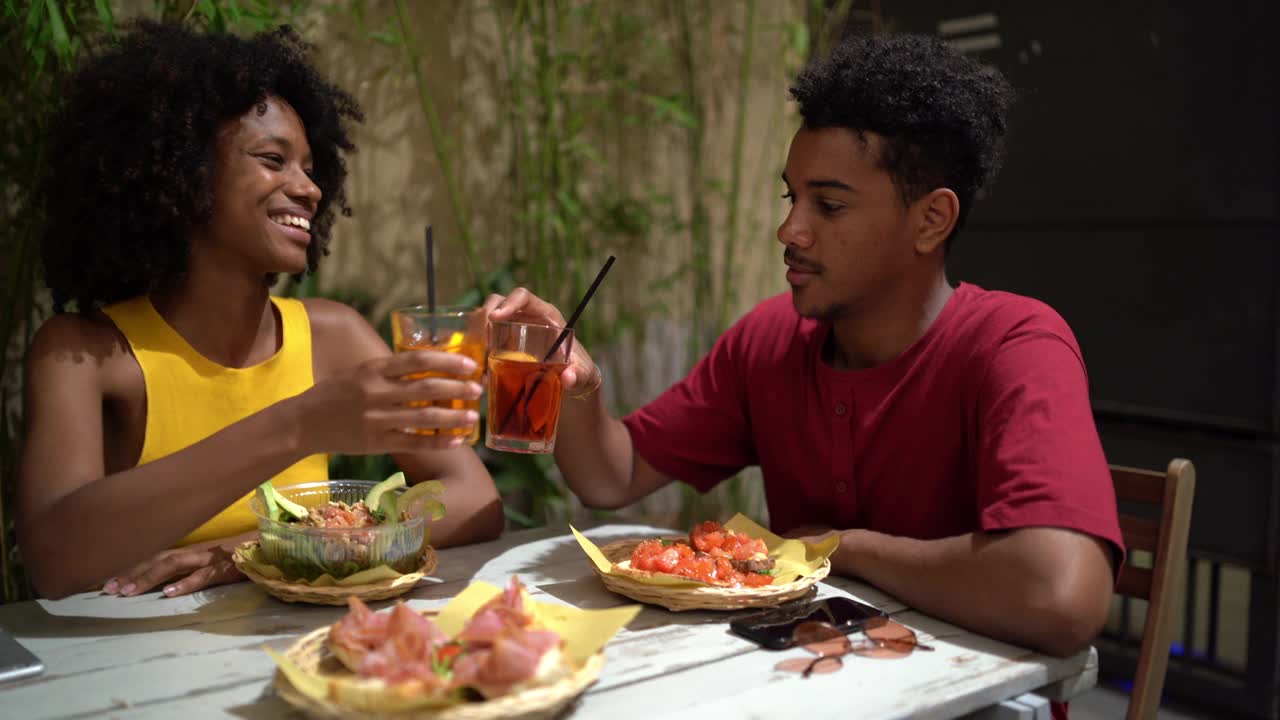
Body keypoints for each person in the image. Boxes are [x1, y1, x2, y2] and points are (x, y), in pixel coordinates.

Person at [488, 32, 1122, 678]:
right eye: (793, 198)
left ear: (931, 221)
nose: (790, 230)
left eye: (830, 204)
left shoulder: (1014, 345)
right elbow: (610, 477)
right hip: (804, 686)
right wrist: (577, 388)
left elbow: (1060, 596)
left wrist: (840, 548)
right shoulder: (769, 342)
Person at [17, 22, 504, 601]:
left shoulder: (334, 336)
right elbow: (53, 559)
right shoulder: (85, 353)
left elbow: (474, 497)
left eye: (310, 168)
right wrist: (301, 424)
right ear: (183, 171)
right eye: (273, 159)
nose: (309, 189)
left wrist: (250, 550)